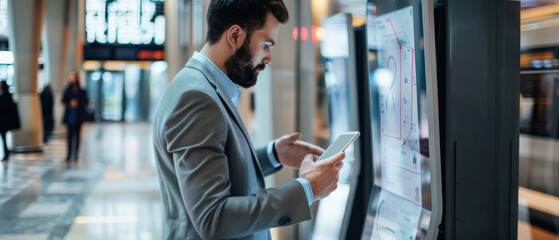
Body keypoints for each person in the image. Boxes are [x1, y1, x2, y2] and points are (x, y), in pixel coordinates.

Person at [152, 1, 345, 239]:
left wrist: (273, 154)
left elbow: (215, 169)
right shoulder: (197, 99)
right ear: (235, 36)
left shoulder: (201, 87)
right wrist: (308, 188)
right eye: (265, 44)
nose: (269, 57)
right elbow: (214, 218)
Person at [62, 71, 88, 162]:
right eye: (70, 77)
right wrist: (70, 103)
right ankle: (69, 154)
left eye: (73, 77)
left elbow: (86, 102)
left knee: (77, 135)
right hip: (70, 115)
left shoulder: (81, 90)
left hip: (79, 115)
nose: (72, 79)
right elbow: (63, 100)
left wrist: (78, 103)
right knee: (69, 135)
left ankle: (76, 154)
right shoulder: (67, 89)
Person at [0, 80, 20, 161]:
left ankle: (6, 153)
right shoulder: (7, 96)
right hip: (4, 121)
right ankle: (6, 153)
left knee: (4, 138)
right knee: (4, 138)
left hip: (4, 122)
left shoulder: (5, 96)